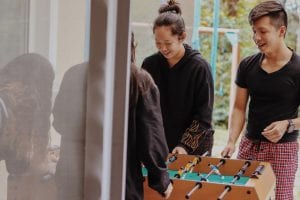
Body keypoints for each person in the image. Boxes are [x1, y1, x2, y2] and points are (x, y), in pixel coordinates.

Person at [221, 1, 300, 199]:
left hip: (283, 150)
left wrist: (288, 124)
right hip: (249, 145)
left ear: (281, 31)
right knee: (239, 196)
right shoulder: (247, 65)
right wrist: (231, 141)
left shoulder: (298, 69)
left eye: (263, 31)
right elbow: (239, 108)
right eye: (254, 31)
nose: (256, 37)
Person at [141, 0, 214, 155]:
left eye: (168, 43)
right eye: (158, 43)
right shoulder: (149, 65)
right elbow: (143, 109)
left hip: (193, 148)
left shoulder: (200, 68)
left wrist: (184, 146)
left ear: (182, 37)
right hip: (158, 145)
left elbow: (203, 117)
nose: (163, 48)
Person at [126, 32, 173, 199]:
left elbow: (59, 121)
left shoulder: (76, 74)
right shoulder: (139, 78)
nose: (163, 48)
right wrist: (162, 180)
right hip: (122, 180)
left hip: (75, 176)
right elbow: (150, 137)